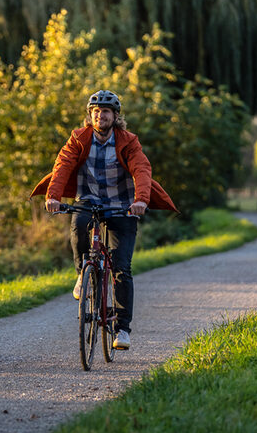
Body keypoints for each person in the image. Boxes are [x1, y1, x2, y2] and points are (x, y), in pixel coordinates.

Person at [30, 89, 178, 350]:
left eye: (106, 112)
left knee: (122, 267)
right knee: (78, 225)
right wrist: (52, 196)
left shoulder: (128, 141)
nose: (100, 116)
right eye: (96, 112)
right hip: (88, 199)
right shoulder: (79, 138)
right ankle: (81, 274)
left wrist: (141, 200)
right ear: (90, 115)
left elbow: (142, 170)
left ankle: (122, 328)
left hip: (123, 206)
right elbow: (62, 165)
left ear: (115, 116)